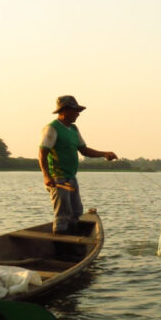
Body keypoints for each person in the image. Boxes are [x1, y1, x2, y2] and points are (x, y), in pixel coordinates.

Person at [39, 95, 117, 238]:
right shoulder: (52, 128)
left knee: (76, 213)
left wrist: (104, 154)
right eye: (75, 110)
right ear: (64, 110)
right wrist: (46, 176)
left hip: (71, 178)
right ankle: (61, 249)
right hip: (58, 179)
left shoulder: (73, 129)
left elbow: (84, 150)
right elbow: (42, 153)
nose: (78, 113)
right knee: (62, 216)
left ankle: (72, 244)